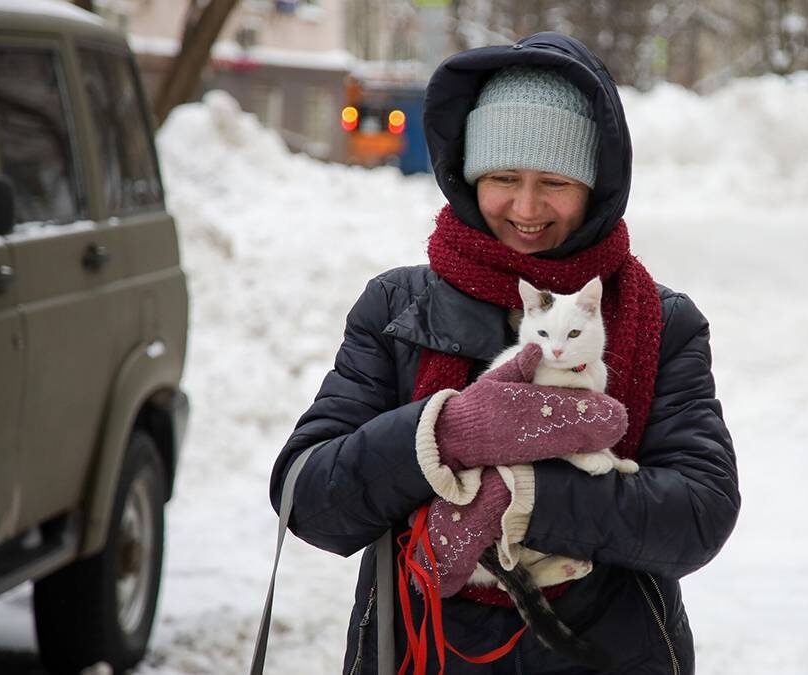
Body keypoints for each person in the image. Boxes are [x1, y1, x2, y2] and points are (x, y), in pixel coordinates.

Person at [270, 32, 739, 674]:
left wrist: (519, 493)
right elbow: (308, 497)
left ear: (596, 186)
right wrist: (441, 435)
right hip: (422, 649)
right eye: (502, 178)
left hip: (606, 654)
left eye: (553, 182)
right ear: (468, 178)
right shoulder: (397, 309)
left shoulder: (663, 322)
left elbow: (697, 515)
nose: (524, 208)